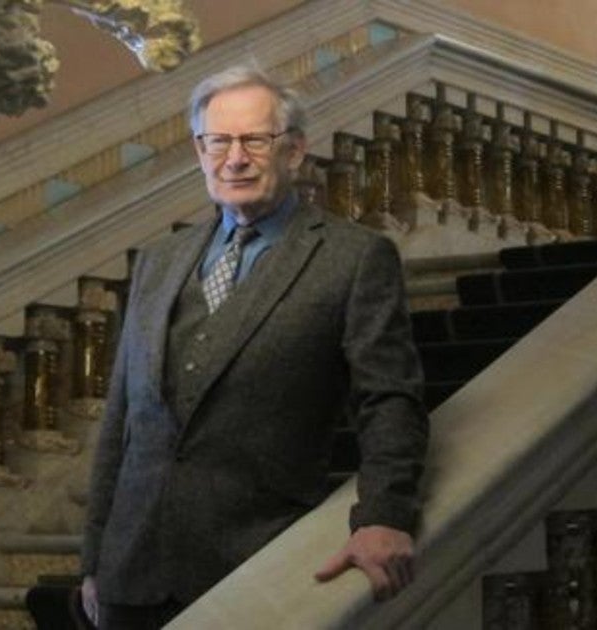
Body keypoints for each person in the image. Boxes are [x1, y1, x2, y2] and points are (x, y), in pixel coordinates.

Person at [79, 65, 429, 629]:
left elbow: (389, 400)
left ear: (293, 151)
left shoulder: (354, 258)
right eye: (218, 141)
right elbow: (123, 417)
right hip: (130, 579)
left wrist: (384, 515)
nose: (234, 158)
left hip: (256, 572)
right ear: (200, 150)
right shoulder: (158, 262)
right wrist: (94, 557)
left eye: (253, 140)